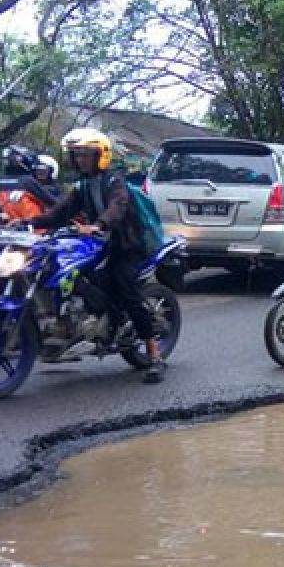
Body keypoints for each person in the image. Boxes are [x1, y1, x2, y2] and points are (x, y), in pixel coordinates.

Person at [28, 128, 168, 383]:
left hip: (126, 246)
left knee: (127, 290)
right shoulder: (81, 186)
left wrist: (100, 224)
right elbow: (60, 212)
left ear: (100, 156)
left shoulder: (115, 181)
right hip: (98, 244)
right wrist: (28, 222)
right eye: (77, 155)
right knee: (67, 273)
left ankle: (154, 354)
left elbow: (119, 205)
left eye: (86, 155)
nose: (80, 160)